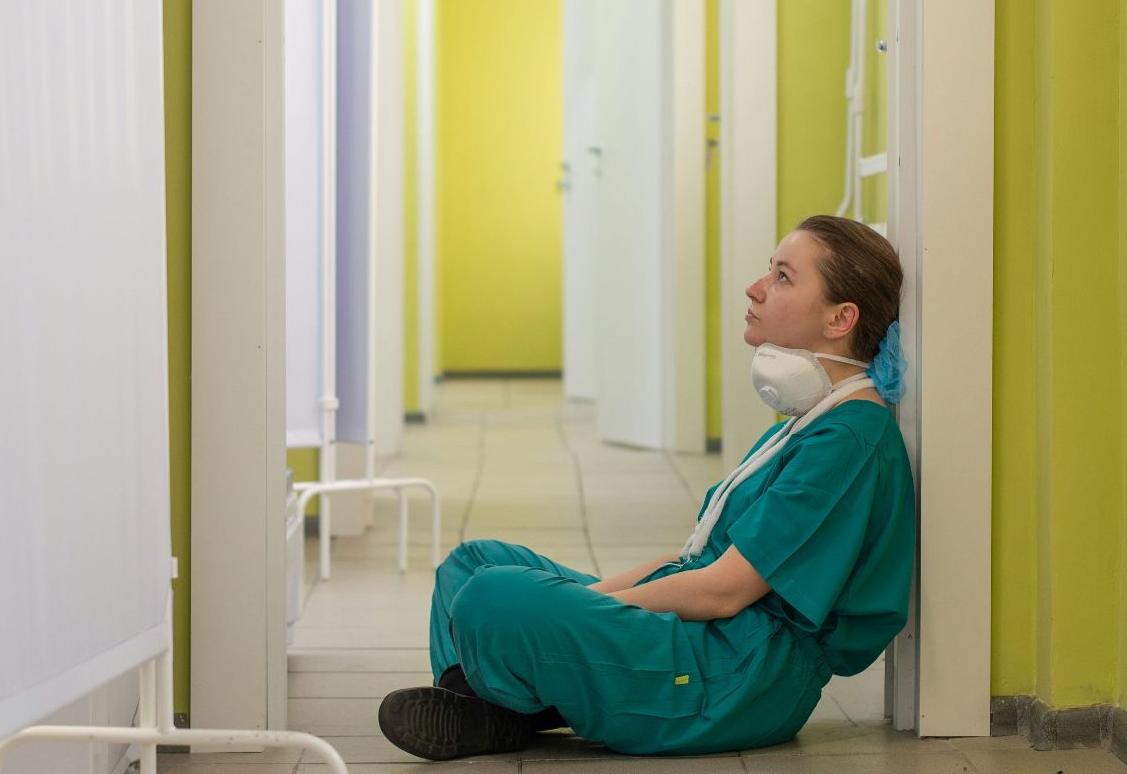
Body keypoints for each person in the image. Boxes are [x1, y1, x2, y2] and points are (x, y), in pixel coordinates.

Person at [377, 215, 917, 760]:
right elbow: (693, 559)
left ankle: (491, 706)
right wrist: (579, 611)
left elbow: (722, 591)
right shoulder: (813, 419)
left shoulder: (848, 440)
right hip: (711, 642)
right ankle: (504, 709)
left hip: (736, 678)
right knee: (472, 564)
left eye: (782, 277)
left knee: (492, 599)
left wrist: (584, 615)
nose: (755, 288)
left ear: (840, 318)